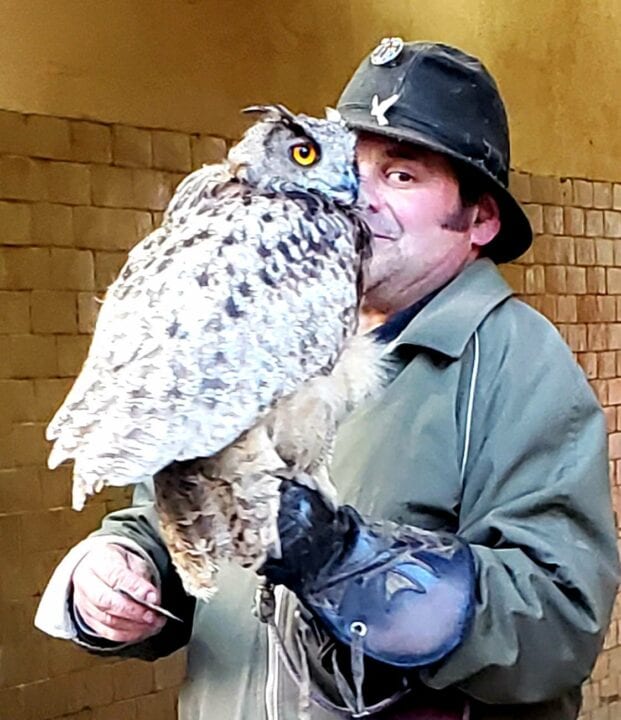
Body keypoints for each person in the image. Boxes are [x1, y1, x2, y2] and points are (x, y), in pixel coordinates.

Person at [36, 40, 619, 720]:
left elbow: (551, 630)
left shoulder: (516, 362)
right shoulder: (265, 319)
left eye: (400, 176)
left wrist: (343, 559)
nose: (354, 195)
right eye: (349, 165)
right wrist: (122, 567)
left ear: (479, 218)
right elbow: (176, 510)